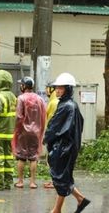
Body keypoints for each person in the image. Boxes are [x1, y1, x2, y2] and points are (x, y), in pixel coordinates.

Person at [44, 73, 90, 213]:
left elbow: (54, 127)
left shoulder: (66, 106)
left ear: (68, 89)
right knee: (64, 177)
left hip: (63, 147)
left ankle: (57, 209)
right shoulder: (71, 105)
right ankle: (80, 200)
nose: (57, 90)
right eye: (57, 87)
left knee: (60, 178)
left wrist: (47, 138)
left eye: (61, 88)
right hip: (69, 146)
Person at [12, 76, 46, 189]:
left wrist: (15, 128)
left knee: (21, 157)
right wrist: (40, 130)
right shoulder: (39, 99)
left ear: (24, 86)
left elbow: (18, 116)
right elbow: (43, 116)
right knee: (33, 157)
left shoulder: (21, 99)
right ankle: (32, 182)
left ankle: (20, 181)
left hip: (23, 132)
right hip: (35, 132)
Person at [43, 82, 59, 189]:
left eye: (47, 89)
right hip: (57, 135)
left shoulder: (53, 102)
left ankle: (55, 182)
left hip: (53, 135)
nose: (46, 91)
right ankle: (54, 180)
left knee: (53, 159)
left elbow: (49, 119)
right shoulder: (56, 101)